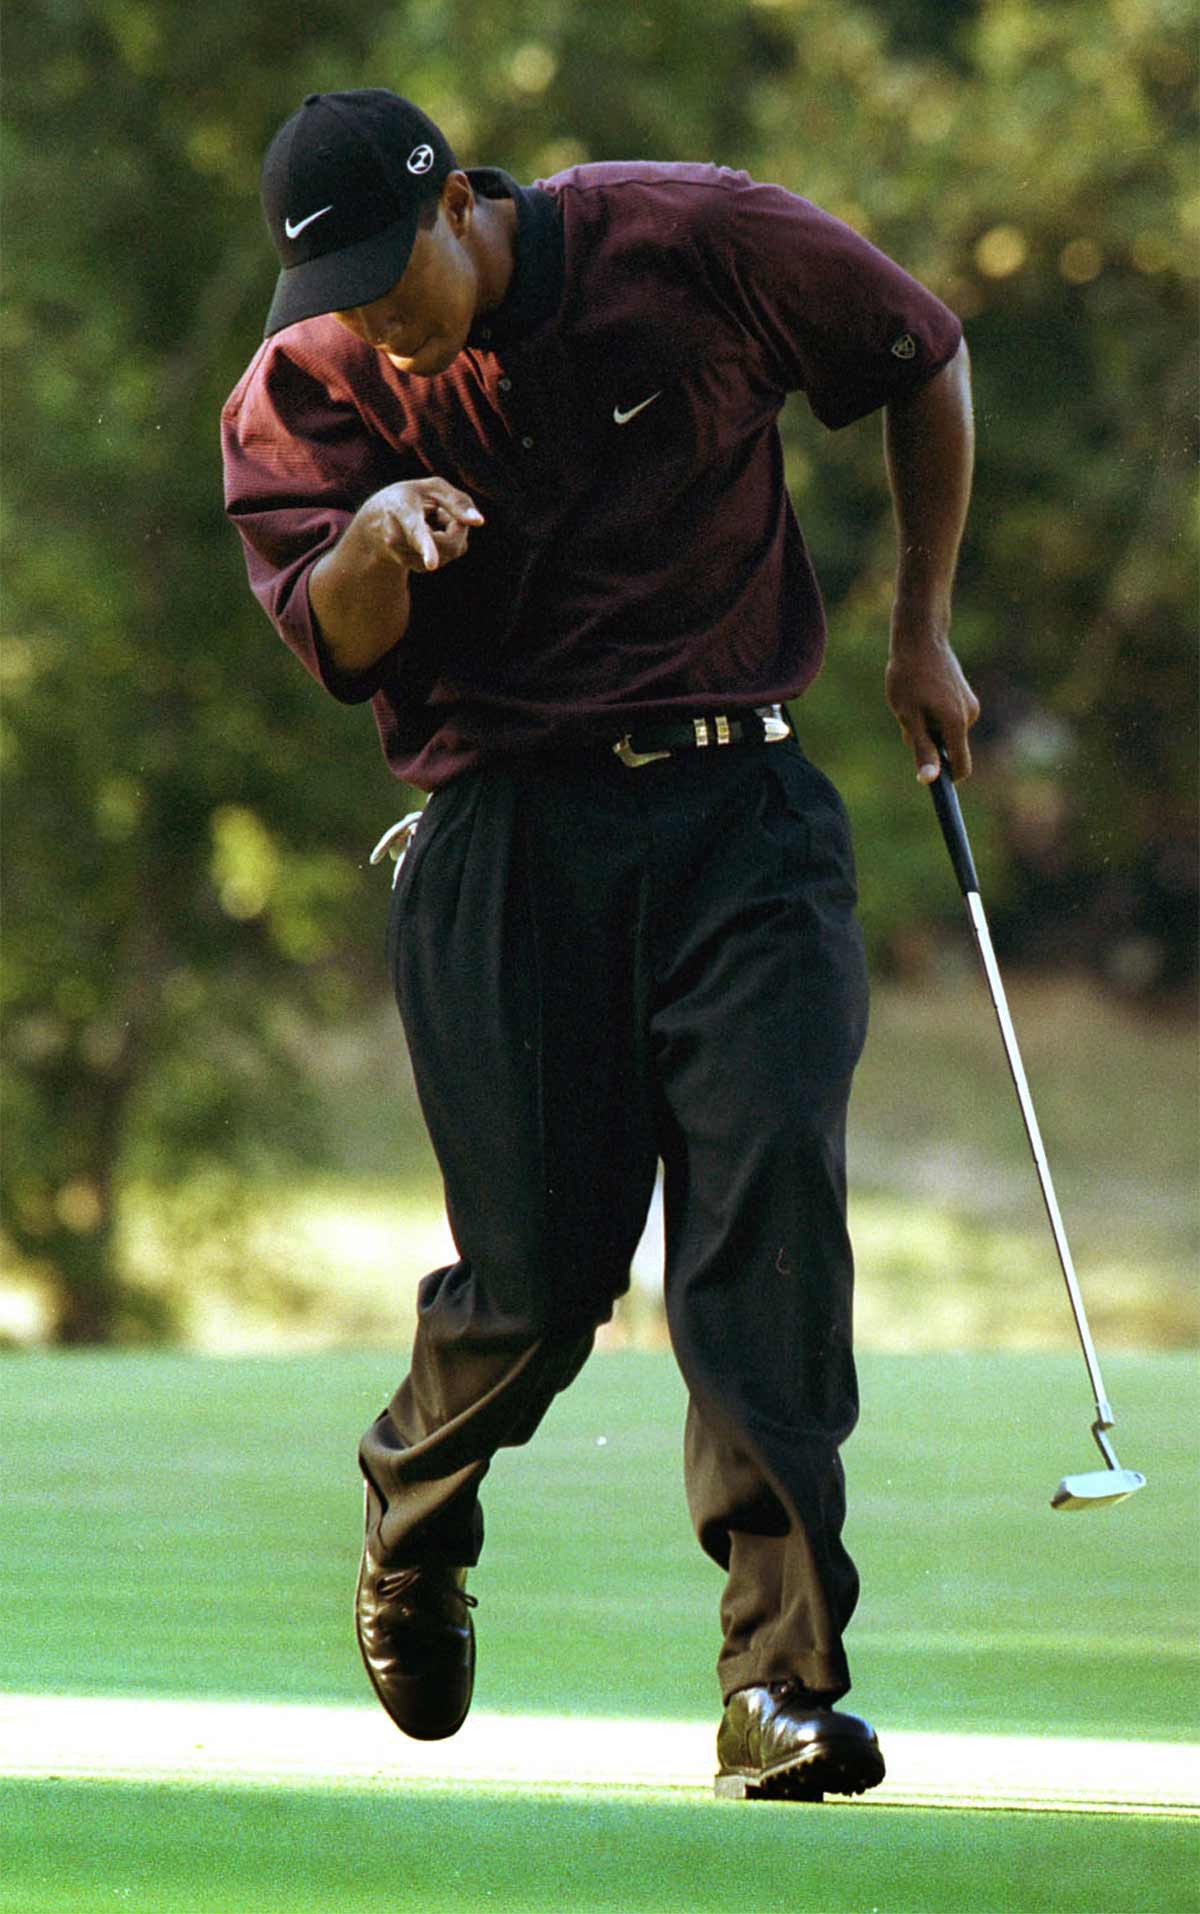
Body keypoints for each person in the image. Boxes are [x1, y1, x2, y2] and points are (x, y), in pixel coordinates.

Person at [221, 87, 978, 1802]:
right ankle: (415, 1502)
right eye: (325, 283)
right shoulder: (315, 384)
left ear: (461, 203)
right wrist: (368, 541)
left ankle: (778, 1684)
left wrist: (918, 630)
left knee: (768, 1206)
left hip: (743, 818)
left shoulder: (694, 241)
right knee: (542, 1282)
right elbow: (329, 641)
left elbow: (919, 350)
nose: (365, 313)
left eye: (381, 270)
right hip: (505, 839)